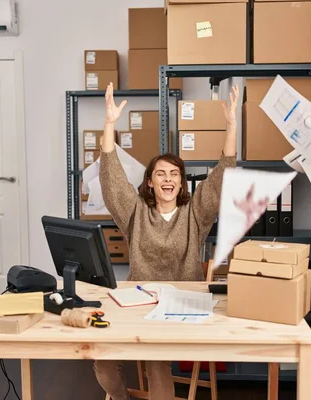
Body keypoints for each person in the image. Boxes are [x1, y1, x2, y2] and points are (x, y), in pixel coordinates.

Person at [93, 82, 239, 400]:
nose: (169, 178)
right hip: (137, 302)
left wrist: (231, 128)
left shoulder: (195, 214)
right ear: (150, 182)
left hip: (181, 305)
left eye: (175, 173)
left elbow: (220, 179)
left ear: (182, 182)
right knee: (102, 358)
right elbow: (113, 180)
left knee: (157, 363)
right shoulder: (135, 213)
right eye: (161, 173)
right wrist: (108, 124)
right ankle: (120, 397)